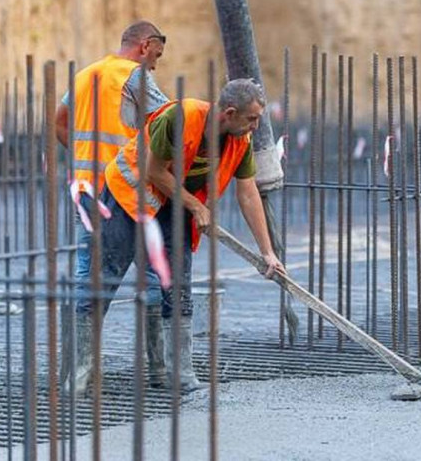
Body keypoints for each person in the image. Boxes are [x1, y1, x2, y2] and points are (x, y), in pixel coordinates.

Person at [76, 78, 285, 392]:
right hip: (127, 197)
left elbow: (248, 194)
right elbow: (153, 170)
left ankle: (176, 375)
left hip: (173, 204)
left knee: (177, 286)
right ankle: (79, 374)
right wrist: (195, 206)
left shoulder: (239, 140)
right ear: (230, 112)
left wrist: (267, 251)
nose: (256, 126)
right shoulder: (181, 117)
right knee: (104, 279)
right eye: (251, 119)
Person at [55, 21, 170, 393]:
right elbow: (169, 126)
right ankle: (159, 371)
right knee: (153, 273)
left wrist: (80, 155)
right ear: (145, 45)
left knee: (89, 274)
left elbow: (59, 122)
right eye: (155, 55)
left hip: (85, 187)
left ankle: (79, 375)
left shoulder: (87, 73)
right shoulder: (133, 76)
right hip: (123, 192)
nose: (154, 65)